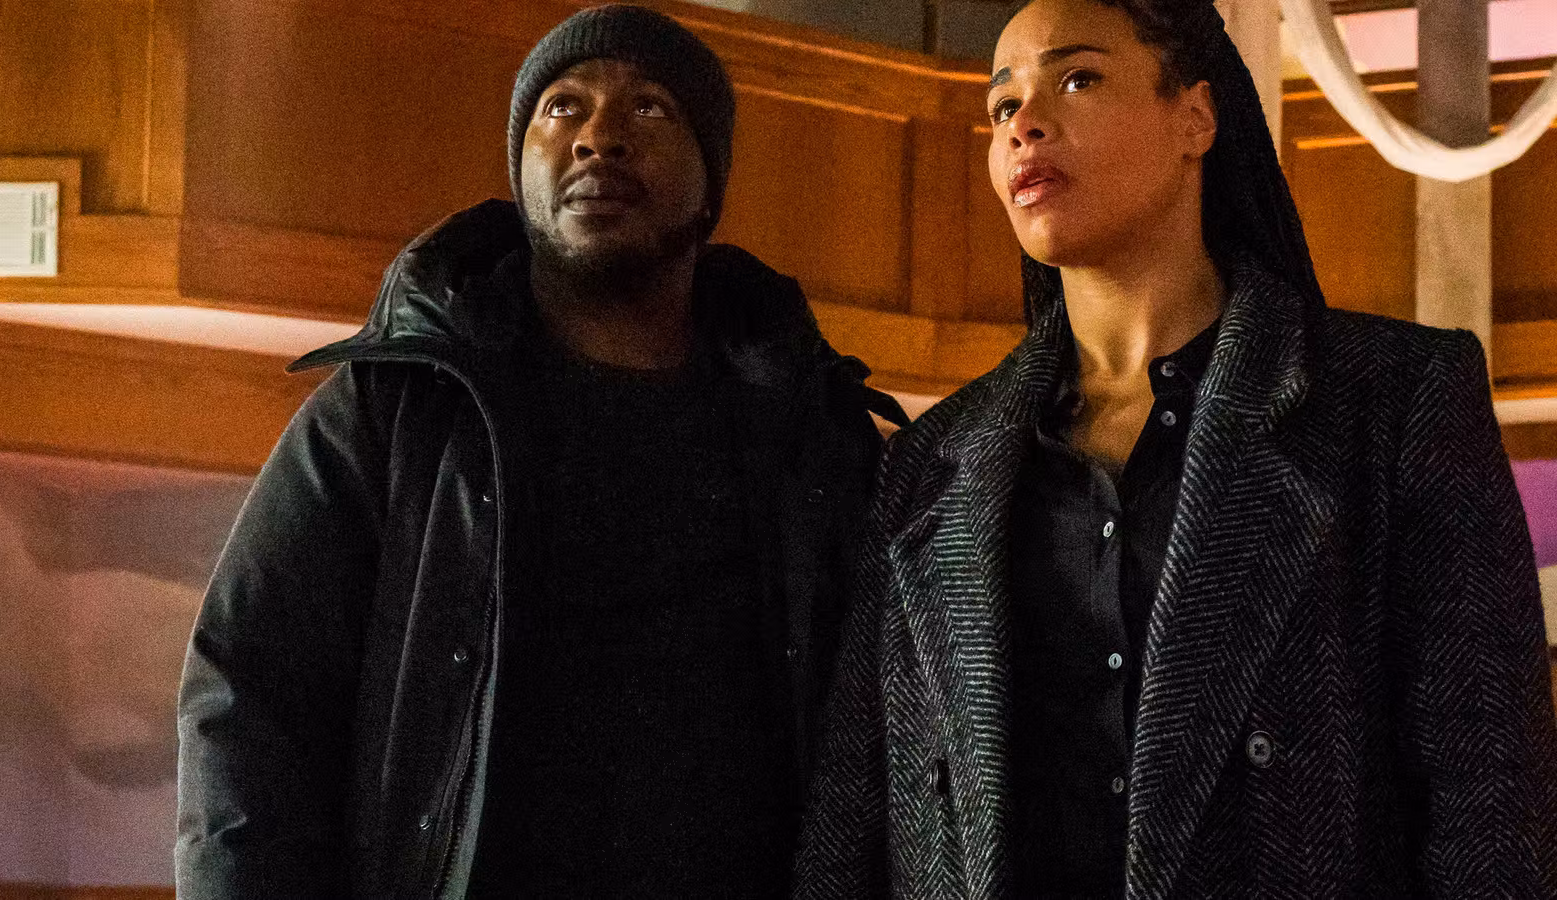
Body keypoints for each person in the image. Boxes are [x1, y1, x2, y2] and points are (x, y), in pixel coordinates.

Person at [795, 0, 1557, 896]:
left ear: (1194, 117)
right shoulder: (930, 463)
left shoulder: (1392, 402)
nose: (1023, 124)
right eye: (1002, 106)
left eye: (1077, 79)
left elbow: (1489, 802)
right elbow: (853, 819)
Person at [175, 5, 905, 898]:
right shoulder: (399, 410)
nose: (600, 136)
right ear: (520, 171)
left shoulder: (810, 431)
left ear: (712, 181)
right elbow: (248, 692)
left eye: (649, 108)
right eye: (562, 108)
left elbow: (884, 737)